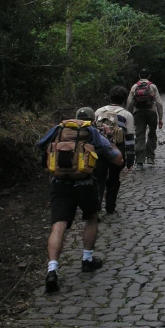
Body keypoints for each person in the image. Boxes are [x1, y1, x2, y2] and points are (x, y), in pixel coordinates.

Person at [37, 107, 123, 293]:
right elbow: (117, 159)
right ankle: (87, 259)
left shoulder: (59, 129)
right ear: (92, 120)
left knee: (58, 225)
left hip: (59, 183)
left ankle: (52, 270)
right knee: (91, 217)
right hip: (84, 184)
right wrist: (111, 142)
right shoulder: (91, 131)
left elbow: (41, 145)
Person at [95, 86, 135, 214]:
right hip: (117, 149)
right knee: (114, 178)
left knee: (99, 178)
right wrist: (130, 158)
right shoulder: (126, 115)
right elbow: (129, 138)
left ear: (109, 97)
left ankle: (96, 207)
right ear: (124, 100)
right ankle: (110, 206)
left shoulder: (98, 112)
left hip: (99, 149)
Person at [127, 68, 163, 171]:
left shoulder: (134, 86)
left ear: (139, 76)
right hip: (151, 113)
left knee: (139, 135)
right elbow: (159, 103)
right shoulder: (152, 86)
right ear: (149, 76)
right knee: (152, 133)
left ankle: (139, 161)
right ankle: (150, 157)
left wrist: (129, 116)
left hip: (138, 113)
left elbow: (129, 102)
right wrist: (160, 118)